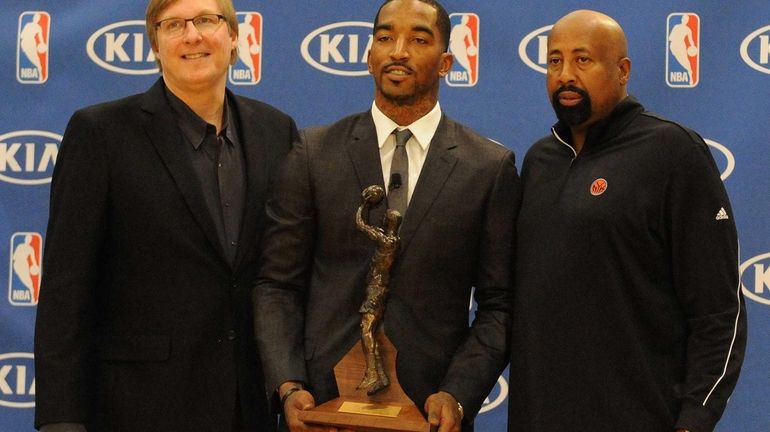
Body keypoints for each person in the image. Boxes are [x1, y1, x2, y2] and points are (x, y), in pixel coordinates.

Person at [252, 1, 520, 431]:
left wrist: (457, 393)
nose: (398, 50)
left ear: (447, 62)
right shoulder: (314, 153)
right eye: (384, 37)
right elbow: (277, 285)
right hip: (321, 407)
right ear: (369, 56)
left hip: (429, 414)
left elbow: (500, 306)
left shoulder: (488, 167)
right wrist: (288, 383)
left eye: (418, 39)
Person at [33, 0, 297, 431]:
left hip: (249, 408)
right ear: (155, 44)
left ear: (234, 37)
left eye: (207, 21)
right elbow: (66, 293)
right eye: (173, 25)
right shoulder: (100, 134)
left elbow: (284, 274)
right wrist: (61, 421)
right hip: (137, 408)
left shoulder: (277, 131)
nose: (192, 36)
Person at [508, 9, 746, 432]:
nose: (565, 75)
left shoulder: (674, 152)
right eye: (554, 60)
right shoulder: (539, 161)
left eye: (583, 60)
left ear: (622, 71)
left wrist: (694, 420)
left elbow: (719, 312)